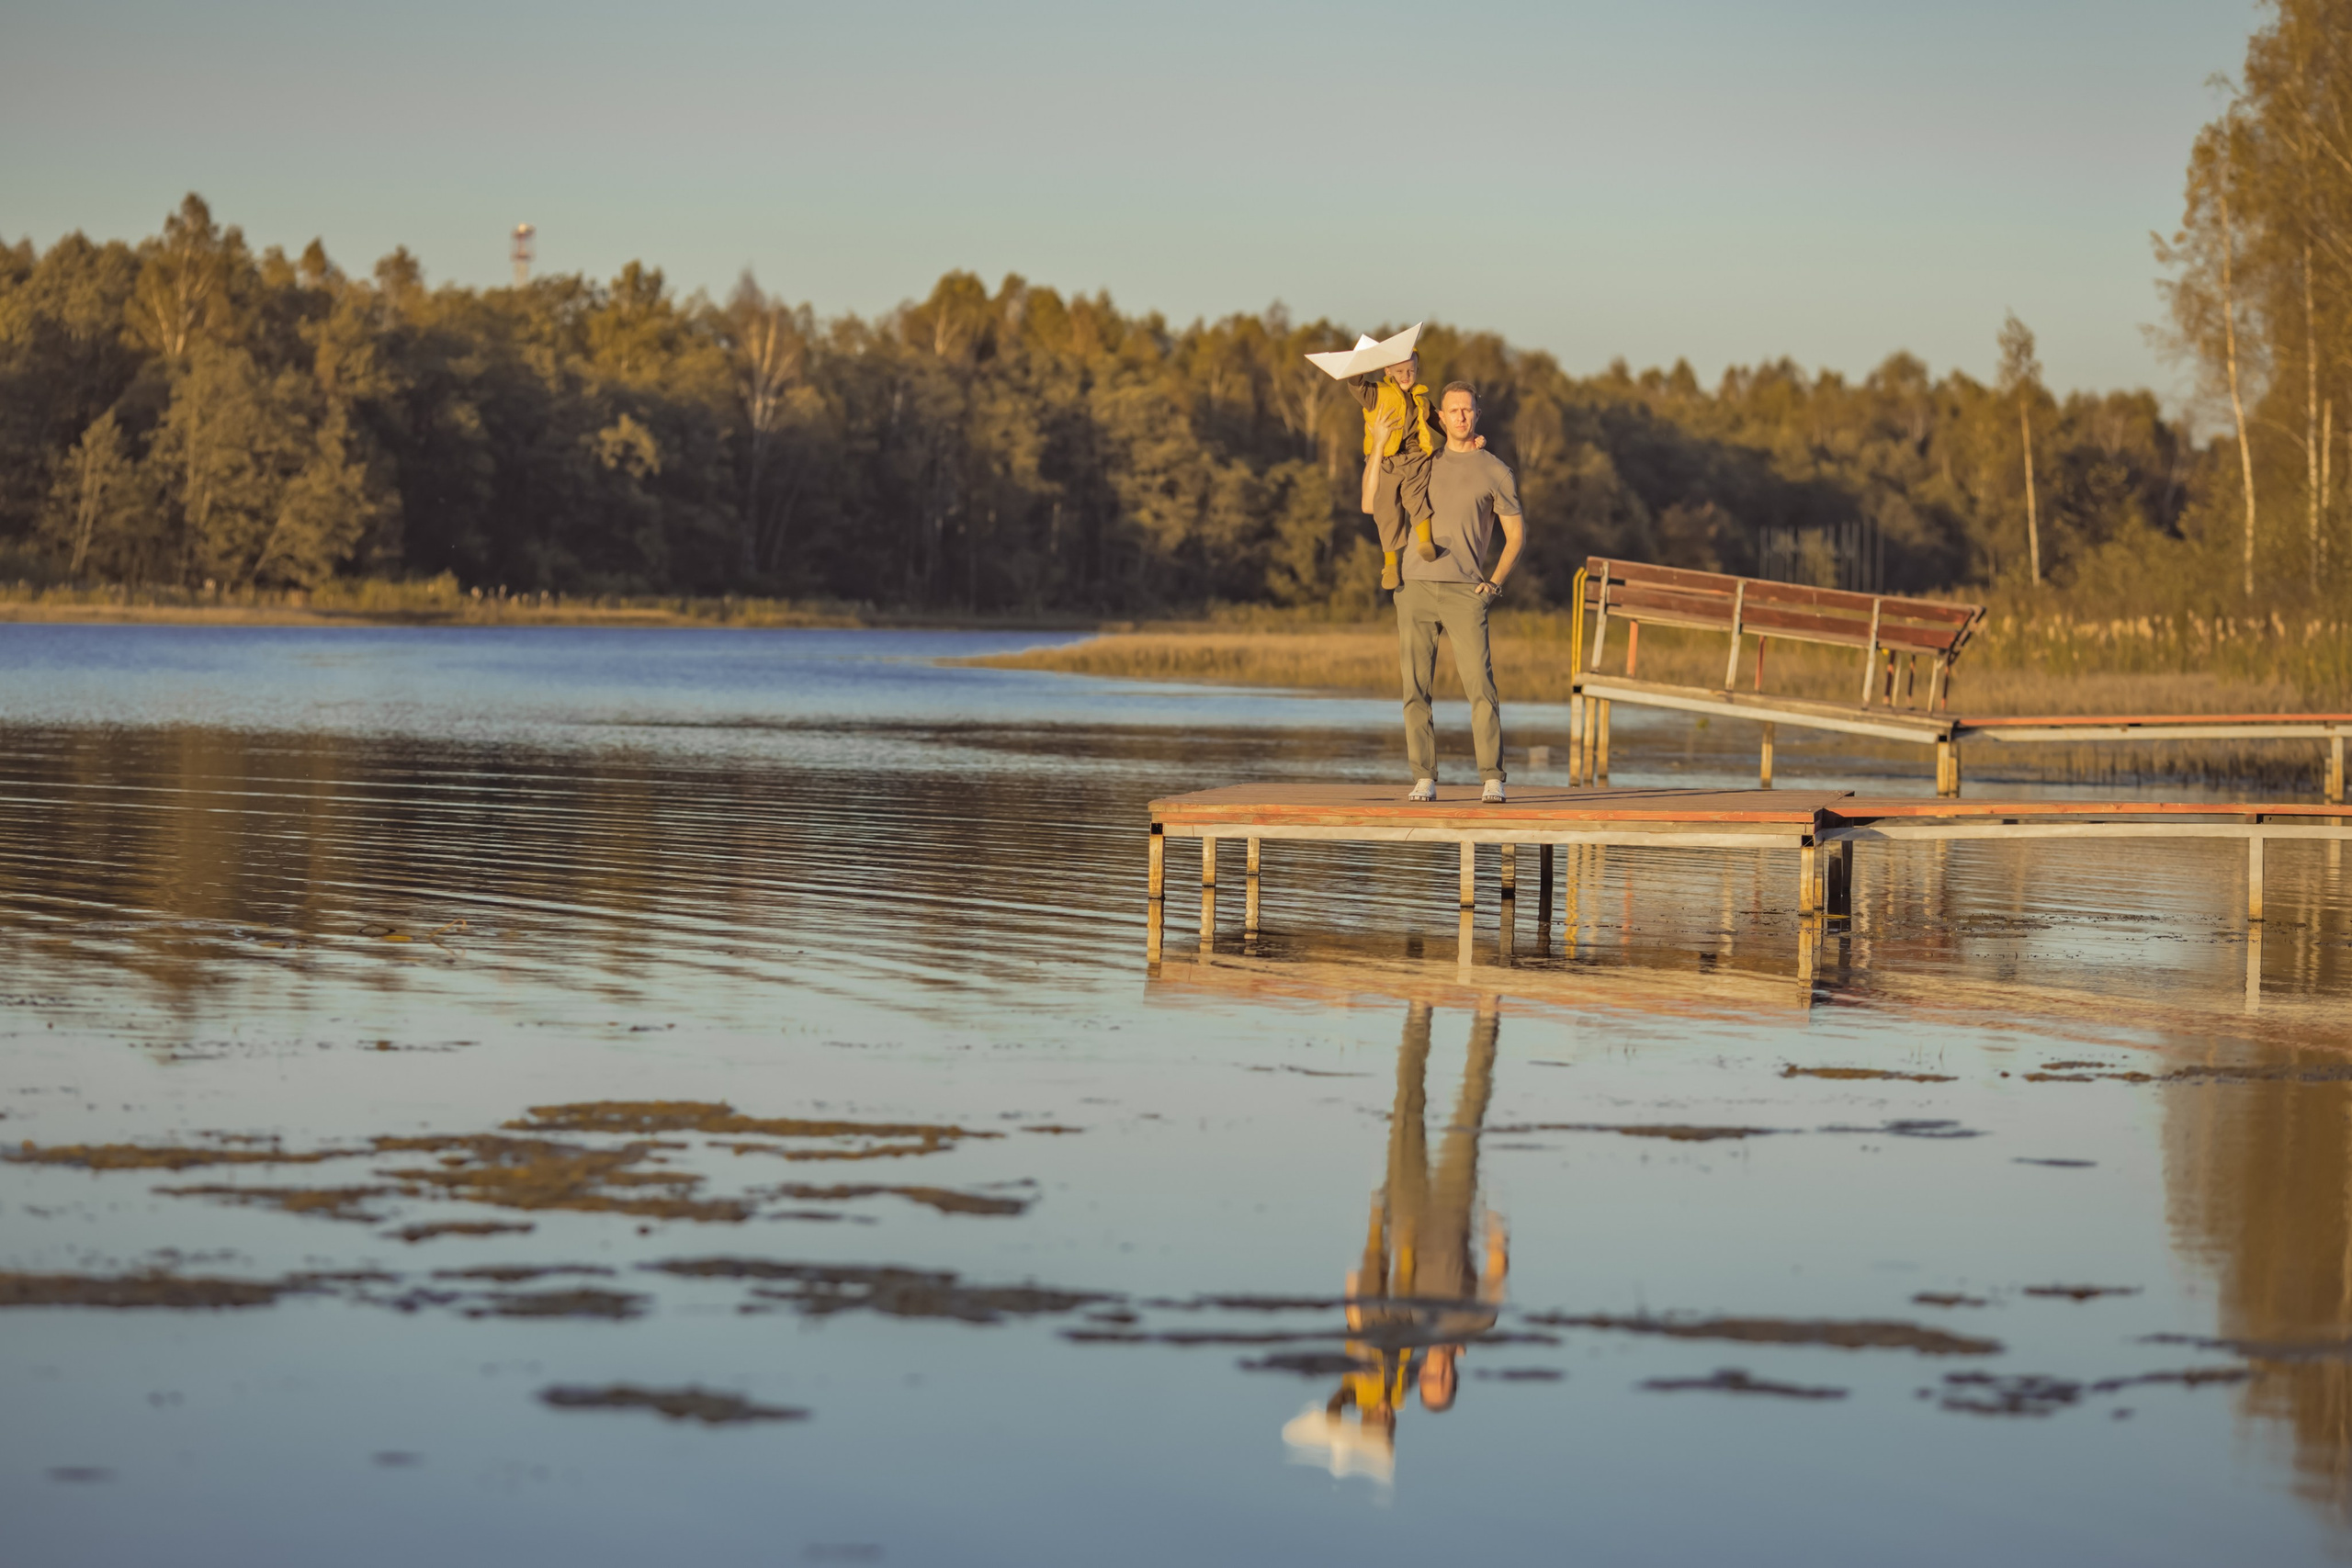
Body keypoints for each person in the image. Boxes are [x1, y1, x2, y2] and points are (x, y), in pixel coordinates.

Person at [1366, 381, 1524, 804]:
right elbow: (1375, 498)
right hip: (1414, 588)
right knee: (1414, 687)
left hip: (1466, 592)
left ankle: (1492, 777)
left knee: (1481, 687)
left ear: (1477, 415)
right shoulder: (1422, 462)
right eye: (1452, 410)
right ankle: (1424, 777)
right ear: (1441, 417)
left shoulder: (1496, 471)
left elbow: (1515, 535)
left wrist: (1494, 583)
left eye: (1467, 410)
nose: (1459, 416)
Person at [1351, 355, 1443, 592]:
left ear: (1417, 370)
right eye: (1400, 371)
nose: (1406, 376)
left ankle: (1425, 542)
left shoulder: (1421, 399)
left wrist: (1471, 436)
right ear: (1388, 370)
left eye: (1411, 371)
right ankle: (1390, 565)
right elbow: (1356, 385)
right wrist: (1359, 364)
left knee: (1417, 495)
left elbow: (1441, 423)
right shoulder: (1377, 392)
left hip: (1414, 456)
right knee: (1386, 508)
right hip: (1386, 460)